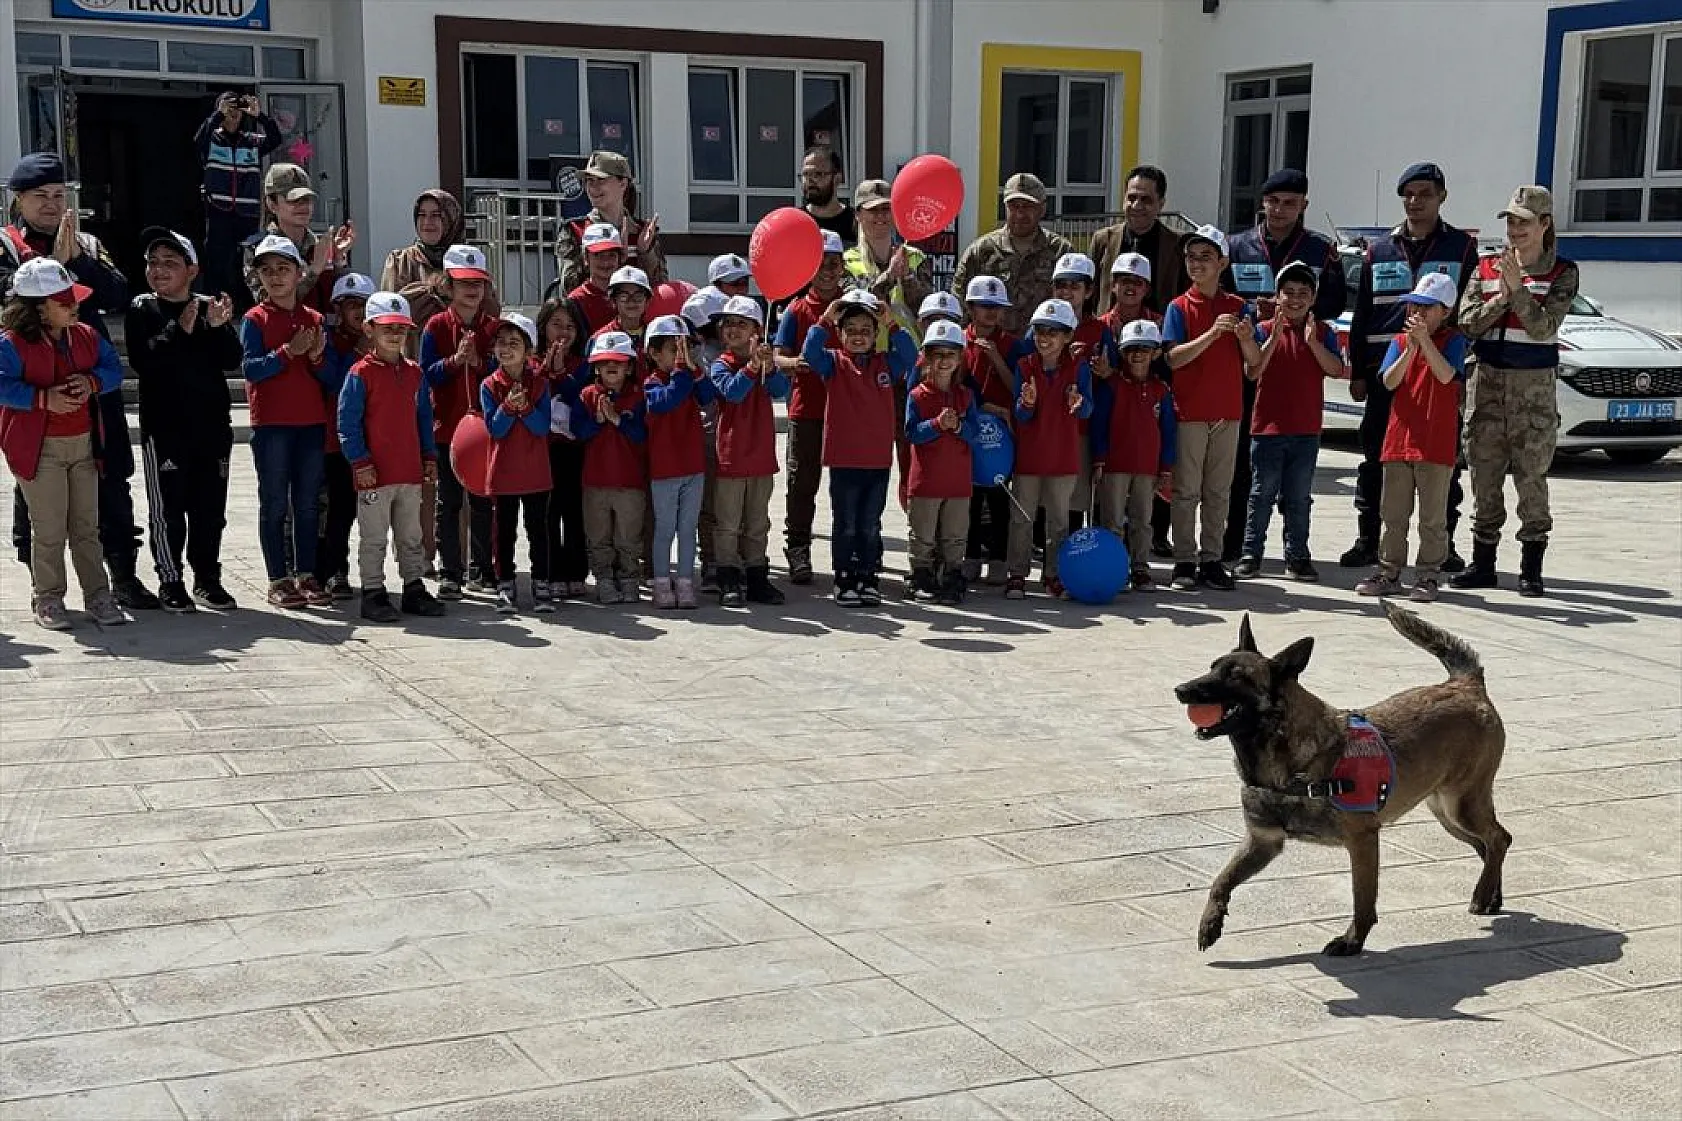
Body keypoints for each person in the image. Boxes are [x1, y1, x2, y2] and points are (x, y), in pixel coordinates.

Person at [2, 152, 155, 610]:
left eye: (58, 196)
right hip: (34, 384)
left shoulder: (86, 243)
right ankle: (44, 584)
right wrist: (53, 270)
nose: (51, 205)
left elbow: (117, 293)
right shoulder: (5, 245)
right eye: (40, 197)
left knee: (111, 474)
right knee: (34, 478)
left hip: (88, 378)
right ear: (19, 200)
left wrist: (78, 266)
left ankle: (122, 575)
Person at [1342, 162, 1480, 570]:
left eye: (1425, 193)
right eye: (1409, 194)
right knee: (1377, 460)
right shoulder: (1380, 248)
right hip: (1389, 372)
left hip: (1438, 376)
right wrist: (1358, 374)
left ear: (1442, 197)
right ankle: (1370, 539)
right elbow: (1363, 311)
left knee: (1441, 464)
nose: (1415, 201)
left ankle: (1444, 546)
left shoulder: (1461, 248)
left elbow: (1471, 311)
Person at [1451, 186, 1578, 599]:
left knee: (1531, 481)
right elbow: (1466, 322)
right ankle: (1483, 563)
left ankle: (1531, 567)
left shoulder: (1562, 272)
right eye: (1510, 220)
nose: (1514, 229)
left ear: (1544, 224)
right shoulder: (1486, 267)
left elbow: (1545, 327)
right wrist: (1500, 299)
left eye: (1523, 221)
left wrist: (1519, 293)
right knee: (1484, 478)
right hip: (1485, 385)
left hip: (1532, 393)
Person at [1220, 168, 1346, 563]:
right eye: (1273, 202)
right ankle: (1238, 545)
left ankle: (1296, 552)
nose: (1280, 209)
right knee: (1244, 467)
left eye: (1290, 203)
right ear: (1263, 203)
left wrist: (1295, 313)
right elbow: (1222, 296)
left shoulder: (1321, 251)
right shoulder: (1238, 245)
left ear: (1303, 206)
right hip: (1247, 363)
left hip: (1296, 366)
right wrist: (1251, 313)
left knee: (1294, 481)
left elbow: (1334, 302)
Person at [0, 258, 128, 629]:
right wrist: (43, 399)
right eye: (63, 301)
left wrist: (92, 383)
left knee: (86, 526)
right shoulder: (10, 344)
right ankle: (49, 599)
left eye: (74, 299)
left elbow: (112, 368)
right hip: (40, 450)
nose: (74, 306)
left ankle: (98, 596)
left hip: (84, 446)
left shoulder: (85, 335)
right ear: (38, 308)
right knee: (50, 528)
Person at [124, 228, 240, 613]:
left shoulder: (210, 306)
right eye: (153, 263)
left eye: (170, 263)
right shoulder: (143, 309)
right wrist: (180, 329)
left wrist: (220, 327)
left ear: (192, 270)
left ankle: (208, 578)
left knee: (210, 510)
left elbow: (230, 360)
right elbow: (145, 362)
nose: (159, 270)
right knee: (168, 509)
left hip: (210, 428)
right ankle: (170, 580)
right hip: (166, 429)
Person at [1355, 272, 1468, 603]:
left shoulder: (1455, 341)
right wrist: (1411, 348)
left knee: (1433, 518)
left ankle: (1429, 575)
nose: (1416, 313)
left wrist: (1427, 343)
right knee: (1393, 515)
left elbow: (1447, 376)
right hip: (1399, 440)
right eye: (1414, 306)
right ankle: (1388, 571)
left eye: (1426, 307)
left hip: (1435, 442)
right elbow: (1389, 382)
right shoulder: (1399, 342)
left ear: (1445, 311)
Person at [800, 290, 918, 606]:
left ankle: (867, 576)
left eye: (866, 331)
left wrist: (891, 323)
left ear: (875, 335)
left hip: (877, 462)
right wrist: (825, 319)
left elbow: (910, 356)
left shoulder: (884, 364)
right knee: (847, 523)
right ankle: (844, 577)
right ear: (839, 334)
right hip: (844, 461)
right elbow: (810, 353)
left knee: (869, 524)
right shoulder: (834, 364)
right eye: (850, 330)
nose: (858, 337)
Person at [1161, 225, 1262, 592]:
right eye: (1191, 257)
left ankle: (1212, 559)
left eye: (1205, 257)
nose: (1197, 264)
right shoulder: (1178, 307)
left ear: (1223, 262)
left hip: (1228, 412)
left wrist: (1248, 340)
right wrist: (1211, 335)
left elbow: (1255, 365)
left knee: (1218, 491)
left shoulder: (1239, 307)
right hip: (1190, 411)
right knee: (1186, 489)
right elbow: (1173, 359)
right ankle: (1185, 560)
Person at [336, 291, 446, 623]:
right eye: (387, 327)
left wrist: (428, 455)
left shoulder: (414, 373)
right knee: (373, 537)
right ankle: (373, 593)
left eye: (401, 328)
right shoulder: (360, 374)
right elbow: (346, 422)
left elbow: (424, 418)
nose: (395, 334)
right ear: (370, 329)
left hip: (409, 472)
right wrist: (360, 462)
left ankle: (413, 588)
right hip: (375, 474)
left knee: (411, 535)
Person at [1235, 260, 1343, 582]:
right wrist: (1274, 335)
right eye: (1289, 293)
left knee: (1298, 498)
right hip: (1267, 428)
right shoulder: (1263, 329)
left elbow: (1335, 369)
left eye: (1303, 294)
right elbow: (1252, 370)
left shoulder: (1323, 332)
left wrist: (1311, 342)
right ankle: (1251, 554)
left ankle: (1297, 556)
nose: (1295, 300)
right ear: (1277, 296)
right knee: (1261, 495)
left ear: (1312, 298)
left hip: (1306, 429)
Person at [241, 234, 332, 609]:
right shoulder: (254, 319)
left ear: (299, 273)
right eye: (268, 271)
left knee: (308, 502)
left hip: (311, 423)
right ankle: (278, 577)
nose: (276, 277)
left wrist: (314, 358)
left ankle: (306, 573)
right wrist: (286, 353)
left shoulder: (314, 319)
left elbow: (327, 377)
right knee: (275, 503)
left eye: (283, 269)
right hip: (272, 425)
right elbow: (250, 368)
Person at [420, 244, 500, 598]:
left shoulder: (494, 328)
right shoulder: (436, 326)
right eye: (463, 282)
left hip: (484, 432)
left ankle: (482, 569)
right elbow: (425, 377)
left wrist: (479, 364)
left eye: (478, 283)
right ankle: (450, 571)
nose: (472, 290)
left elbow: (501, 374)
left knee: (483, 503)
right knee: (448, 503)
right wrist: (455, 361)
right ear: (447, 286)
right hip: (447, 430)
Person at [846, 178, 932, 508]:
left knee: (912, 452)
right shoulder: (847, 259)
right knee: (869, 457)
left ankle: (915, 522)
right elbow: (854, 307)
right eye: (873, 211)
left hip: (910, 369)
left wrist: (905, 276)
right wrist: (887, 278)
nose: (881, 217)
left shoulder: (915, 258)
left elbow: (927, 306)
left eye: (887, 210)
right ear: (859, 216)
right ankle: (867, 530)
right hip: (867, 370)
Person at [772, 229, 848, 585]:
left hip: (849, 411)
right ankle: (798, 548)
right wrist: (793, 365)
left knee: (847, 485)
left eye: (834, 263)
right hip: (807, 410)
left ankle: (850, 552)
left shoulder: (853, 306)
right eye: (821, 264)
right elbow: (778, 355)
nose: (828, 271)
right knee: (802, 484)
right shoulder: (796, 309)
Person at [1006, 298, 1092, 599]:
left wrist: (1078, 405)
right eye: (1041, 331)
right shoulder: (1024, 366)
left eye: (1054, 332)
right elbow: (1020, 415)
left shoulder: (1079, 368)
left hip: (1062, 456)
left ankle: (1054, 574)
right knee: (1022, 517)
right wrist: (1026, 402)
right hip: (1029, 456)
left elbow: (1087, 409)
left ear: (1068, 336)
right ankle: (1017, 573)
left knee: (1058, 521)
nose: (1045, 338)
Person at [708, 295, 789, 607]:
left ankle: (757, 577)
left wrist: (769, 366)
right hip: (731, 457)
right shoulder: (720, 364)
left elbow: (780, 391)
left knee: (757, 523)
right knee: (727, 523)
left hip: (761, 458)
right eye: (728, 323)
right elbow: (733, 392)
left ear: (757, 329)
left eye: (741, 324)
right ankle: (728, 577)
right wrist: (754, 367)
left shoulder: (765, 365)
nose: (732, 329)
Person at [1090, 319, 1175, 592]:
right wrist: (1099, 459)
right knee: (1112, 521)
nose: (1137, 354)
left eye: (1144, 348)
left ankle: (1140, 568)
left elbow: (1169, 431)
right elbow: (1099, 424)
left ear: (1155, 353)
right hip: (1115, 465)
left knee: (1142, 521)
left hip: (1147, 467)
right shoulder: (1112, 385)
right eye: (1131, 349)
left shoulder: (1161, 390)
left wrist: (1166, 467)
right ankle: (1113, 568)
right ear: (1122, 352)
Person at [481, 312, 554, 615]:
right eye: (500, 342)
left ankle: (541, 583)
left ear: (528, 351)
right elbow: (495, 429)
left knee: (538, 530)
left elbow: (542, 427)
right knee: (504, 531)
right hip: (505, 472)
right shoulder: (489, 385)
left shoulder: (539, 384)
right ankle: (505, 583)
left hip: (536, 472)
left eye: (514, 343)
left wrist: (525, 409)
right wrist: (509, 408)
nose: (506, 349)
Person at [905, 319, 981, 605]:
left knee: (955, 533)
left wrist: (959, 427)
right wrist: (937, 425)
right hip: (927, 480)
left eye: (950, 354)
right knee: (923, 533)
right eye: (937, 354)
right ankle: (921, 575)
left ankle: (952, 574)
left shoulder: (966, 396)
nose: (944, 360)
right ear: (927, 358)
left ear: (960, 358)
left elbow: (974, 433)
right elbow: (911, 432)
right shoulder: (917, 396)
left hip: (958, 481)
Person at [643, 315, 715, 609]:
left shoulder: (689, 376)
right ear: (654, 353)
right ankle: (662, 581)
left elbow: (709, 396)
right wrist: (684, 373)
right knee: (665, 529)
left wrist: (694, 370)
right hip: (665, 470)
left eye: (685, 348)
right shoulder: (652, 384)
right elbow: (668, 400)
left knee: (687, 528)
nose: (682, 356)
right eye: (674, 350)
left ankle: (685, 581)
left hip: (693, 467)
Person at [574, 331, 648, 604]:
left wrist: (618, 420)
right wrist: (597, 420)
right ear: (595, 367)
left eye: (618, 361)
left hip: (630, 482)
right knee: (598, 535)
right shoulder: (586, 395)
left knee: (629, 536)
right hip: (595, 481)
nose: (611, 367)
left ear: (629, 366)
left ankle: (629, 578)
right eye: (604, 362)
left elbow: (643, 435)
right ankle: (604, 579)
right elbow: (577, 431)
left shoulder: (639, 396)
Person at [951, 173, 1074, 336]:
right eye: (1014, 206)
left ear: (1042, 209)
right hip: (992, 348)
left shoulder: (1061, 252)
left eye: (1028, 206)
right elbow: (959, 302)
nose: (1020, 214)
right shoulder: (981, 251)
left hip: (1042, 349)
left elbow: (1075, 304)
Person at [316, 272, 377, 600]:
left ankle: (349, 572)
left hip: (366, 443)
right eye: (350, 305)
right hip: (330, 441)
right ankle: (330, 572)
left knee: (351, 509)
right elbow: (335, 382)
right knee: (331, 510)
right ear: (337, 310)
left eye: (364, 305)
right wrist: (357, 350)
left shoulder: (381, 342)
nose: (357, 311)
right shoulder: (329, 340)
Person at [195, 91, 284, 302]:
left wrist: (259, 116)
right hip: (219, 211)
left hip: (247, 213)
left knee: (246, 261)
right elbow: (199, 140)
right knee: (217, 261)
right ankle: (214, 304)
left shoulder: (252, 141)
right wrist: (218, 115)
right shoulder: (212, 140)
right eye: (229, 109)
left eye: (237, 110)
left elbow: (275, 139)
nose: (234, 114)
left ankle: (246, 304)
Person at [959, 275, 1018, 585]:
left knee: (998, 498)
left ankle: (998, 557)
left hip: (1000, 436)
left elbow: (1017, 388)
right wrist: (979, 407)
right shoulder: (958, 340)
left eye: (997, 307)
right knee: (970, 497)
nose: (991, 313)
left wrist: (996, 357)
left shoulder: (1012, 344)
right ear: (970, 308)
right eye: (984, 306)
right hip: (969, 428)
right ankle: (970, 555)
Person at [534, 297, 591, 601]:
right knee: (548, 511)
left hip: (574, 447)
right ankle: (552, 570)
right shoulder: (531, 362)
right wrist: (547, 370)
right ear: (543, 327)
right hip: (543, 450)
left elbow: (581, 397)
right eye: (556, 324)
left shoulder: (583, 365)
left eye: (570, 326)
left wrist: (561, 374)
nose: (563, 332)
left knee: (574, 510)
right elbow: (534, 393)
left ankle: (576, 571)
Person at [241, 163, 352, 315]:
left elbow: (343, 303)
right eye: (293, 200)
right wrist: (313, 271)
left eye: (307, 199)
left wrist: (339, 261)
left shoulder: (319, 246)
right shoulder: (258, 250)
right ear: (272, 204)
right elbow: (269, 305)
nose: (303, 206)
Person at [554, 150, 666, 294]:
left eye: (601, 180)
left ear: (623, 184)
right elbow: (569, 288)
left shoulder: (644, 233)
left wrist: (644, 254)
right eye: (589, 180)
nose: (593, 187)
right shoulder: (575, 230)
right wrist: (616, 259)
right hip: (591, 314)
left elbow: (660, 287)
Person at [1087, 166, 1187, 314]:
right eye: (1131, 198)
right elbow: (1089, 293)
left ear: (1160, 204)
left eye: (1145, 199)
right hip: (1110, 332)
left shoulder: (1178, 244)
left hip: (1159, 331)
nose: (1136, 205)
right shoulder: (1103, 240)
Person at [379, 189, 471, 340]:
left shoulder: (466, 261)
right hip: (413, 356)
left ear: (451, 219)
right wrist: (435, 290)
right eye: (422, 215)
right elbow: (394, 311)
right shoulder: (400, 261)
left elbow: (486, 310)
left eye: (436, 215)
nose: (427, 222)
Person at [566, 223, 625, 336]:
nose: (606, 262)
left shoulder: (630, 296)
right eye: (598, 255)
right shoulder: (575, 301)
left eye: (612, 255)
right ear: (586, 258)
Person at [801, 147, 857, 243]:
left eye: (817, 174)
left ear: (837, 179)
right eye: (806, 174)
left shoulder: (855, 222)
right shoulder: (797, 221)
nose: (810, 180)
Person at [1101, 253, 1162, 333]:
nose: (1130, 286)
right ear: (1113, 285)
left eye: (1137, 282)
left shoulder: (1160, 324)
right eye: (1125, 281)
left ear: (1147, 289)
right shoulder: (1100, 325)